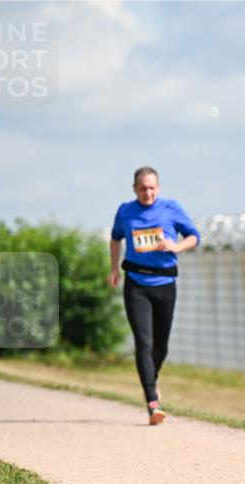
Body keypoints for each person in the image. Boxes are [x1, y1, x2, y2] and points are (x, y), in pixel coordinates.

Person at [108, 166, 200, 425]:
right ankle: (152, 402)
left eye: (151, 188)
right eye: (142, 188)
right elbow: (116, 239)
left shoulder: (171, 208)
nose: (147, 193)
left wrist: (176, 245)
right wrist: (114, 268)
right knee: (144, 342)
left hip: (165, 282)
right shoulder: (125, 211)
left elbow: (195, 237)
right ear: (134, 189)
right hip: (136, 283)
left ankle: (151, 379)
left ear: (158, 188)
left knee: (161, 345)